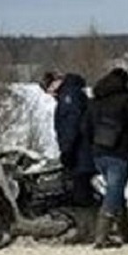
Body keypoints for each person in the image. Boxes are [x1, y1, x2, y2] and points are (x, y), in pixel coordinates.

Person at [82, 66, 128, 248]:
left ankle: (125, 233)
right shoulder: (125, 100)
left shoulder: (94, 101)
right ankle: (101, 236)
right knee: (114, 192)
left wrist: (95, 145)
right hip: (118, 153)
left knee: (116, 191)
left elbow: (85, 129)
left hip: (99, 154)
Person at [40, 70, 98, 212]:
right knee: (84, 191)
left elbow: (70, 126)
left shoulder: (68, 97)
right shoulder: (75, 93)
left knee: (81, 195)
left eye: (48, 90)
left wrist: (67, 151)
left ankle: (88, 230)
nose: (51, 95)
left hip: (80, 153)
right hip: (85, 151)